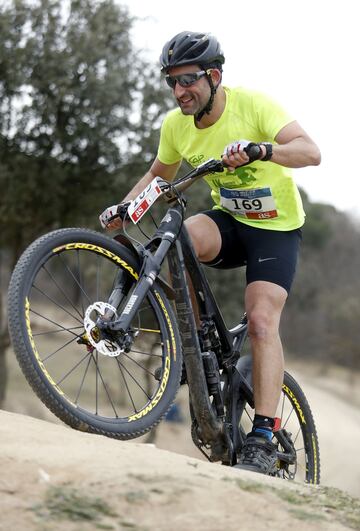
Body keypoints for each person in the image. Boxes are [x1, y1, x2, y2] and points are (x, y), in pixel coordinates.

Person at [99, 31, 321, 475]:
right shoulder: (175, 126)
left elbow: (311, 152)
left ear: (214, 76)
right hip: (231, 223)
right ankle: (195, 341)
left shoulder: (253, 106)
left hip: (275, 230)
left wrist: (262, 150)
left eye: (189, 81)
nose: (180, 91)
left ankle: (261, 433)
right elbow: (157, 175)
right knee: (174, 234)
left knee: (260, 321)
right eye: (172, 82)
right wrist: (123, 209)